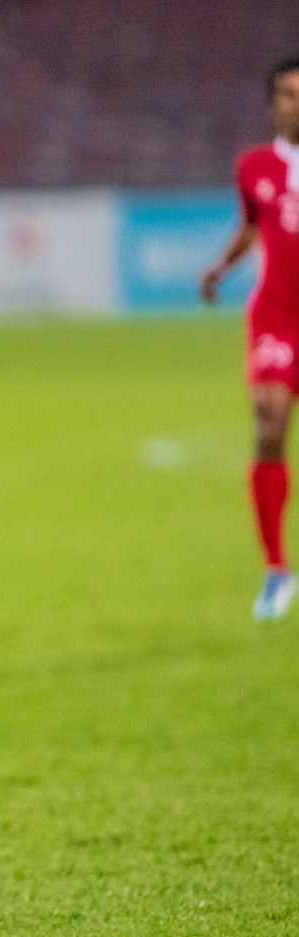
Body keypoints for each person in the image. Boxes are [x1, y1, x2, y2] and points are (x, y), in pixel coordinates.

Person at [202, 55, 299, 620]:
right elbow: (251, 227)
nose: (298, 101)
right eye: (288, 93)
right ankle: (276, 571)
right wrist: (222, 267)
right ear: (273, 106)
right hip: (278, 318)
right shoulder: (254, 167)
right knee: (269, 423)